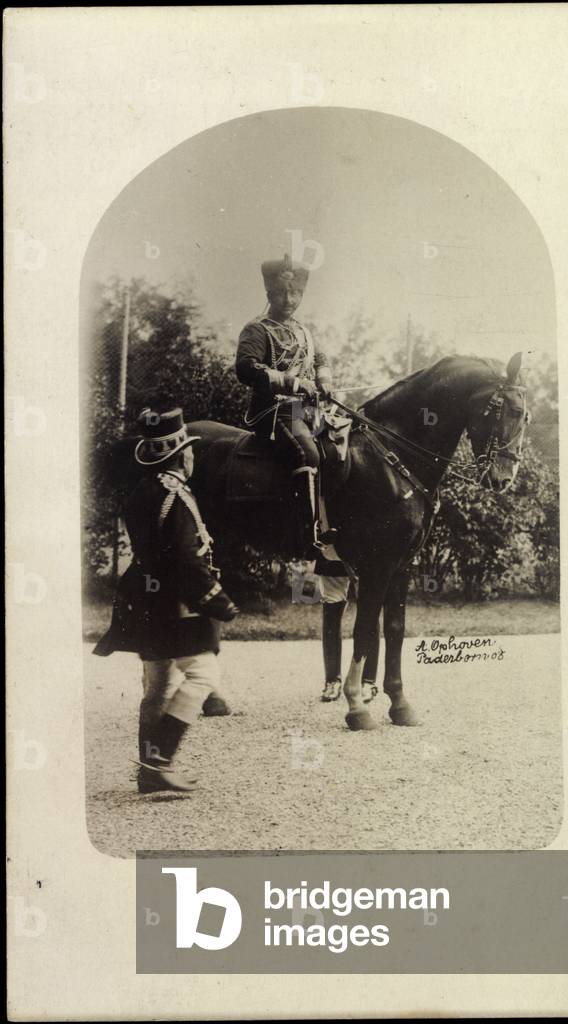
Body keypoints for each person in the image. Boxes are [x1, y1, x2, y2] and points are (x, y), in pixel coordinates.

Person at [94, 407, 238, 793]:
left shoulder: (142, 491)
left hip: (143, 597)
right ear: (181, 455)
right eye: (190, 450)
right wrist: (217, 600)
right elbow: (185, 559)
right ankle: (158, 762)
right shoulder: (176, 495)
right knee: (204, 675)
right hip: (174, 602)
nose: (193, 456)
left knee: (156, 687)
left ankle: (149, 771)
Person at [235, 254, 334, 553]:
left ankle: (334, 524)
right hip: (273, 410)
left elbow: (320, 358)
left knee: (341, 449)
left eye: (295, 293)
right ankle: (306, 534)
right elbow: (246, 368)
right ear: (269, 294)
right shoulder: (257, 329)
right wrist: (294, 383)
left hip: (307, 411)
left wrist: (324, 381)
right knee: (309, 454)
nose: (289, 299)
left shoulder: (304, 330)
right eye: (282, 293)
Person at [314, 552, 380, 704]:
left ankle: (368, 681)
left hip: (368, 552)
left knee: (370, 610)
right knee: (331, 611)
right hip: (334, 552)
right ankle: (332, 680)